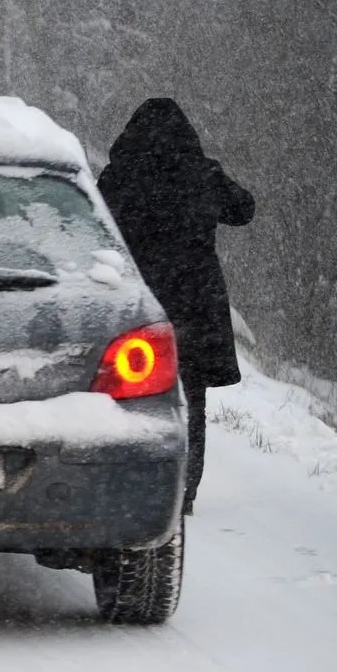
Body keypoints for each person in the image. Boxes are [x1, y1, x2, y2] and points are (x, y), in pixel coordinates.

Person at [97, 97, 256, 515]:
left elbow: (96, 227)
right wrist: (210, 175)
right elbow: (244, 209)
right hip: (195, 303)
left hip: (139, 302)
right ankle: (184, 490)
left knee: (129, 395)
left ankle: (131, 481)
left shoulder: (119, 177)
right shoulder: (202, 176)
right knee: (192, 400)